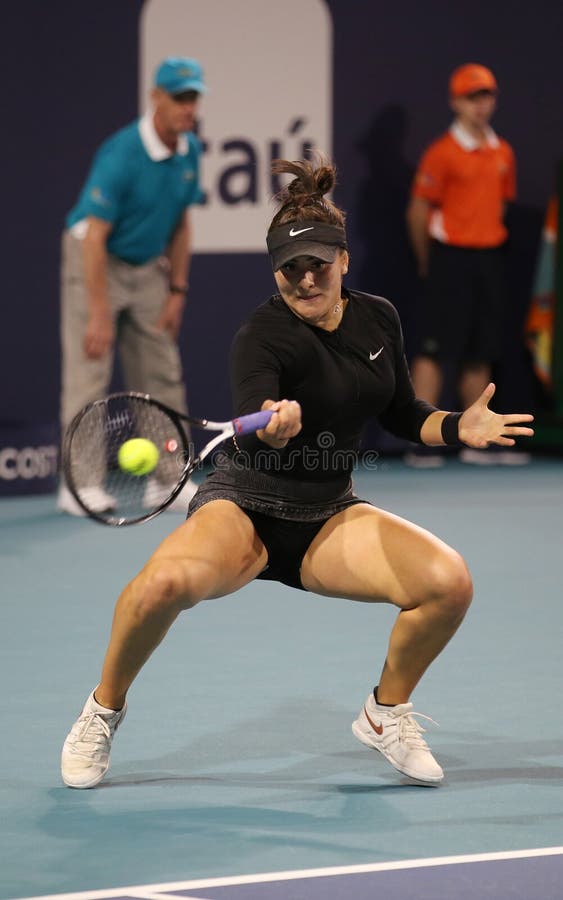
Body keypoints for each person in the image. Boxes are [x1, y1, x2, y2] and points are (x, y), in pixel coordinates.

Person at [60, 153, 533, 790]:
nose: (305, 280)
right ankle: (101, 711)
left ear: (342, 259)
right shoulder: (260, 334)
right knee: (158, 589)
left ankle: (383, 714)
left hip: (327, 518)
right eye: (289, 270)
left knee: (448, 583)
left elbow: (400, 412)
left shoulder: (378, 318)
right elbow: (253, 415)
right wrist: (274, 424)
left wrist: (455, 426)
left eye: (316, 264)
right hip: (244, 510)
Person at [58, 56, 206, 516]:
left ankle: (168, 479)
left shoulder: (191, 151)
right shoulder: (121, 153)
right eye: (179, 98)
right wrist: (99, 311)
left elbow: (181, 223)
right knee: (90, 372)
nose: (188, 108)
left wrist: (177, 290)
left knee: (161, 373)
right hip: (95, 260)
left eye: (193, 98)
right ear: (155, 99)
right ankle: (77, 487)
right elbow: (95, 237)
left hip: (147, 268)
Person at [405, 63, 524, 467]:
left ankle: (478, 442)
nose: (481, 104)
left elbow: (501, 205)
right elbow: (419, 212)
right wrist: (430, 261)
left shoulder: (503, 151)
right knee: (434, 349)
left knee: (481, 348)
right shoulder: (441, 153)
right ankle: (422, 441)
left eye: (486, 95)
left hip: (489, 258)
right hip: (449, 258)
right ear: (456, 102)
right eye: (473, 97)